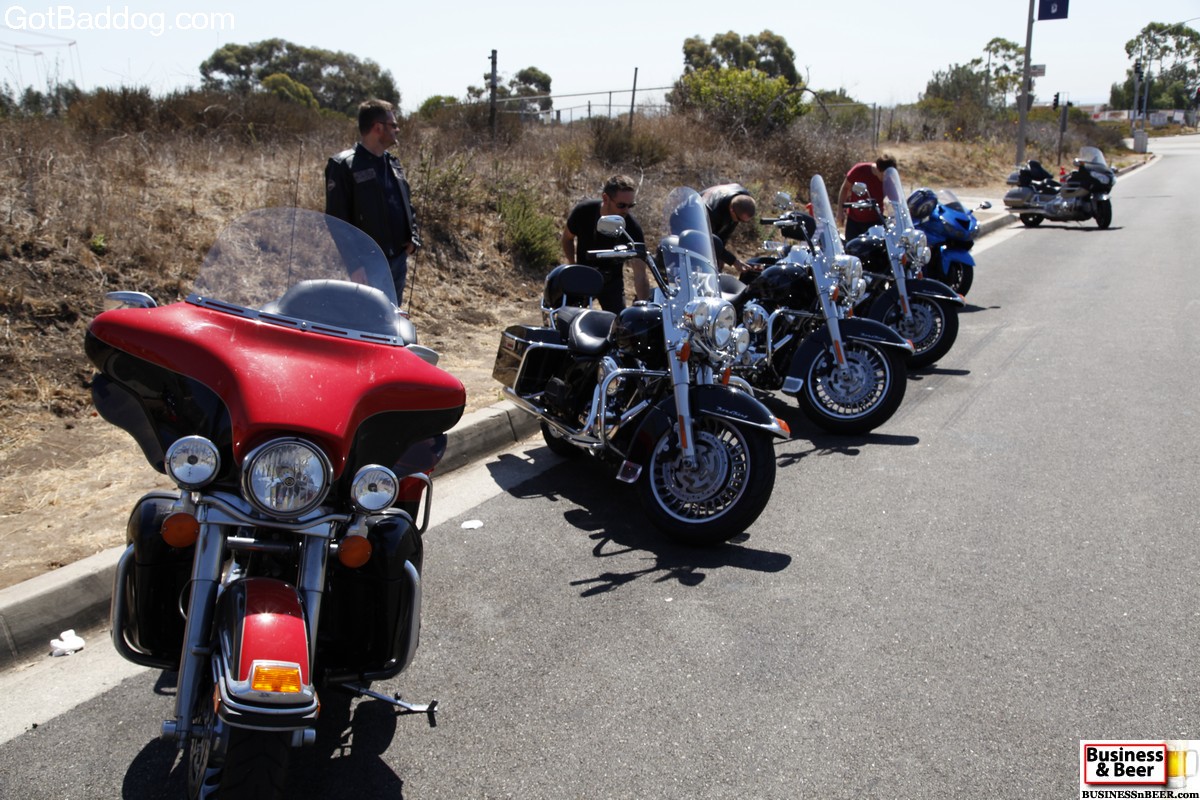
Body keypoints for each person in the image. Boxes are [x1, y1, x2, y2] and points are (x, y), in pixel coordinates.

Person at [325, 98, 421, 304]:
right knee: (367, 317)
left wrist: (413, 238)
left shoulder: (393, 163)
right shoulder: (344, 165)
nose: (397, 130)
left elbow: (407, 204)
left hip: (397, 260)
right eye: (393, 125)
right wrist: (355, 265)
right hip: (368, 265)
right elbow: (337, 220)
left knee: (392, 316)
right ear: (378, 127)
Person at [561, 175, 649, 312]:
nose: (626, 210)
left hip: (612, 281)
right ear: (606, 198)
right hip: (583, 275)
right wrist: (573, 265)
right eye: (621, 205)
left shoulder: (632, 227)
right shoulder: (584, 212)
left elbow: (640, 273)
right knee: (566, 315)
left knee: (619, 320)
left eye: (630, 205)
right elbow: (567, 238)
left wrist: (644, 307)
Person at [836, 154, 897, 241]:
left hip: (875, 222)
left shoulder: (888, 180)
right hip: (854, 220)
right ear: (878, 169)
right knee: (851, 246)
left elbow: (895, 200)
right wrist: (840, 211)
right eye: (885, 174)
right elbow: (845, 188)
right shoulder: (859, 170)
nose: (887, 177)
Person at [701, 183, 757, 272]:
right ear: (731, 210)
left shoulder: (741, 199)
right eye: (740, 219)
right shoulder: (712, 212)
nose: (740, 222)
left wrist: (721, 256)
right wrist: (733, 261)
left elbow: (725, 234)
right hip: (686, 218)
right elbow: (709, 241)